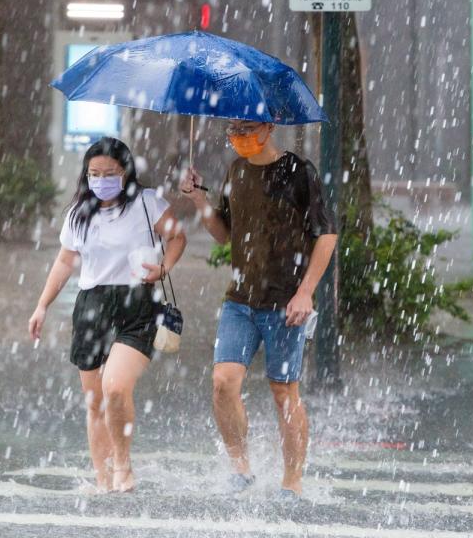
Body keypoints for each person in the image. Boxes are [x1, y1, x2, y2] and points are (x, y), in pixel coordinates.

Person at [180, 120, 337, 500]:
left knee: (284, 392)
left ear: (268, 127)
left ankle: (292, 481)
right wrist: (200, 201)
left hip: (285, 303)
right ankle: (240, 467)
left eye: (247, 128)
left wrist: (306, 292)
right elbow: (225, 235)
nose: (239, 137)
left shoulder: (299, 172)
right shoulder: (236, 169)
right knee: (223, 382)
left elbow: (326, 233)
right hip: (240, 300)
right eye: (234, 129)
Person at [29, 137, 186, 493]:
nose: (101, 180)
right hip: (92, 307)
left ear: (126, 172)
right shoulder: (79, 213)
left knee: (115, 387)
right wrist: (42, 305)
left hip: (137, 305)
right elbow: (65, 261)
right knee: (94, 400)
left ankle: (123, 465)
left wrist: (164, 267)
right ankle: (103, 478)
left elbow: (177, 237)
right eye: (94, 173)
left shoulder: (148, 203)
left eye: (109, 173)